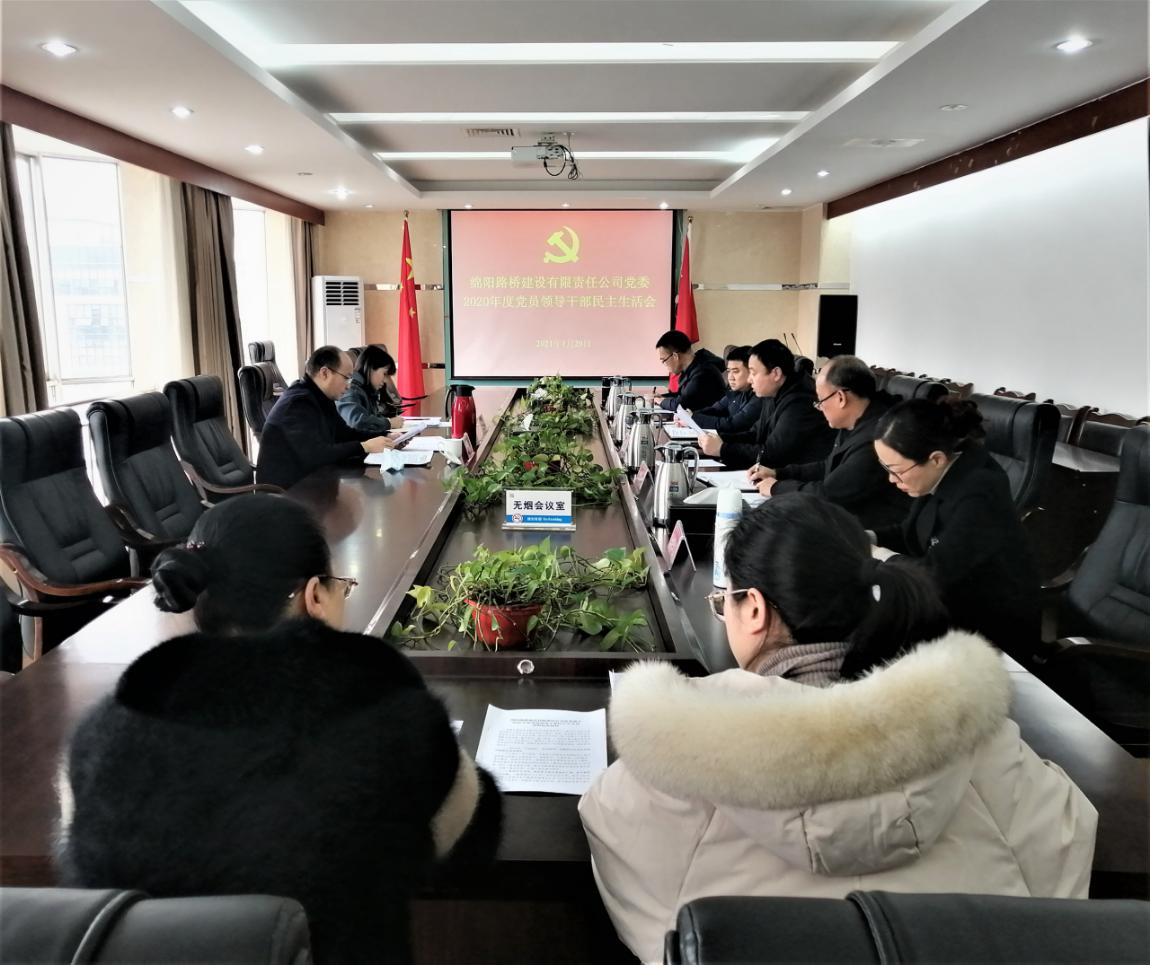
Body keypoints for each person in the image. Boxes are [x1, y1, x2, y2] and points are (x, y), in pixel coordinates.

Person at [579, 494, 1097, 965]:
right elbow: (1061, 874)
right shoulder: (987, 744)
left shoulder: (674, 757)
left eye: (724, 603)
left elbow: (647, 911)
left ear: (753, 608)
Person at [58, 495, 502, 965]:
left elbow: (84, 863)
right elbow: (469, 837)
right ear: (314, 596)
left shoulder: (106, 733)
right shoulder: (389, 713)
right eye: (341, 587)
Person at [872, 396, 1041, 658]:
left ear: (936, 459)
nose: (891, 479)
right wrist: (869, 537)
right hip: (949, 602)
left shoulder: (981, 492)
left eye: (896, 470)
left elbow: (936, 574)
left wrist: (879, 556)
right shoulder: (942, 472)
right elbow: (910, 533)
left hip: (989, 632)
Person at [756, 355, 910, 528]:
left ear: (840, 398)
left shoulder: (877, 437)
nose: (819, 408)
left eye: (820, 401)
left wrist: (777, 488)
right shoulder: (854, 421)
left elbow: (829, 494)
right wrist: (778, 473)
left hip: (870, 529)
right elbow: (829, 466)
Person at [257, 345, 394, 490]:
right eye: (347, 378)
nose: (349, 386)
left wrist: (385, 436)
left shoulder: (321, 397)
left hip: (312, 481)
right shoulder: (298, 403)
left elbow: (345, 434)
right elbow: (317, 454)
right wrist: (364, 447)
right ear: (324, 373)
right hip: (286, 491)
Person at [699, 338, 833, 470]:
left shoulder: (800, 403)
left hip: (796, 477)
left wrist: (723, 449)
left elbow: (772, 455)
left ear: (776, 373)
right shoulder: (773, 392)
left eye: (753, 373)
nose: (749, 379)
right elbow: (755, 434)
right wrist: (719, 439)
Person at [684, 345, 763, 435]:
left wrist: (693, 418)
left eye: (736, 371)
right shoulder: (736, 391)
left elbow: (733, 424)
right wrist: (689, 415)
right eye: (728, 371)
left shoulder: (759, 397)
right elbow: (715, 409)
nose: (730, 377)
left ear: (751, 371)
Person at [337, 344, 405, 434]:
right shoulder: (350, 390)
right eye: (384, 374)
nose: (385, 380)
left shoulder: (367, 390)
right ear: (371, 368)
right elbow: (356, 422)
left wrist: (387, 435)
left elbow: (371, 420)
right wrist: (389, 423)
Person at [653, 330, 726, 413]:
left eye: (664, 360)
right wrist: (661, 397)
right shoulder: (691, 368)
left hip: (709, 420)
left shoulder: (703, 373)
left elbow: (680, 405)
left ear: (675, 356)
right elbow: (682, 396)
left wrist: (661, 401)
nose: (664, 365)